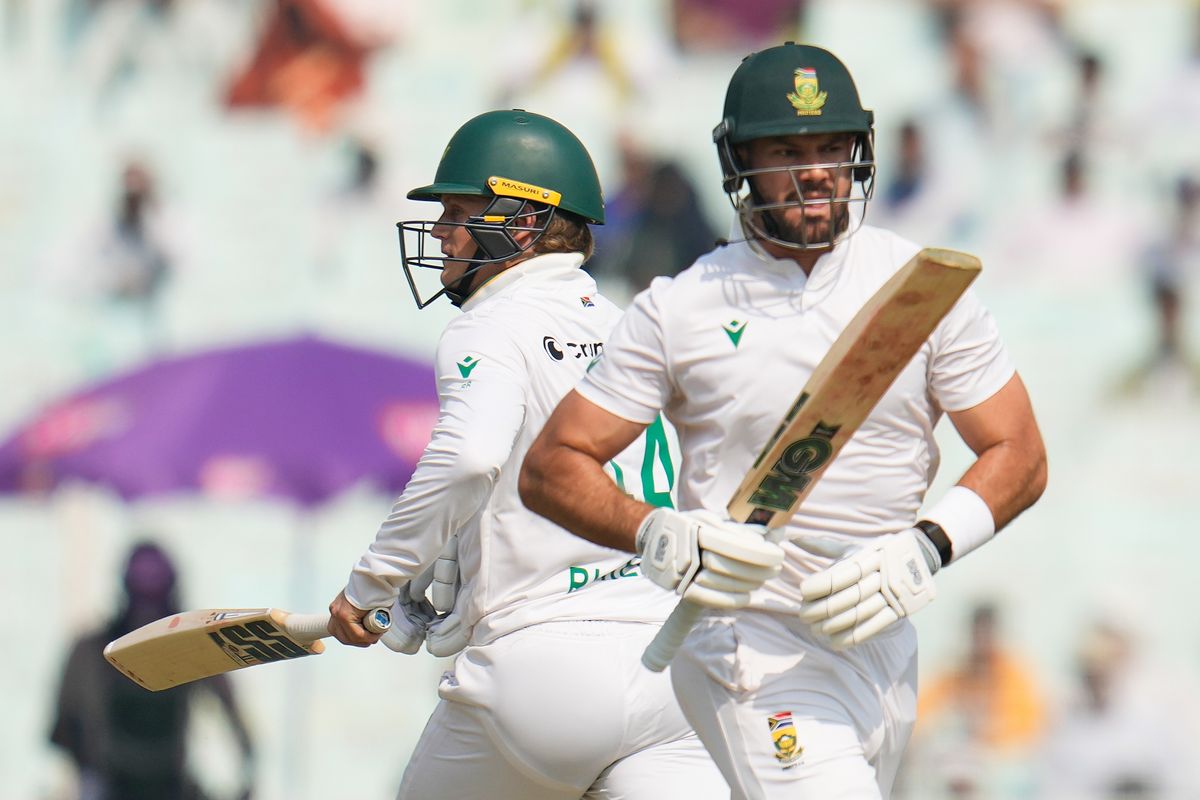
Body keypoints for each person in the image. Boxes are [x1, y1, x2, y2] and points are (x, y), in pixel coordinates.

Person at [520, 43, 1047, 800]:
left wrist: (927, 546)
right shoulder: (681, 306)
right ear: (739, 162)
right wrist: (657, 533)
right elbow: (552, 465)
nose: (816, 171)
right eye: (787, 151)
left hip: (880, 641)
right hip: (745, 642)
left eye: (832, 147)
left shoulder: (922, 288)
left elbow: (1019, 451)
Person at [326, 109, 730, 799]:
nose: (439, 232)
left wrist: (374, 584)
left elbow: (470, 457)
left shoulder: (489, 323)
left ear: (522, 224)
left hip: (543, 669)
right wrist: (443, 559)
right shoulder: (627, 325)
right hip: (672, 668)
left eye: (457, 213)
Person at [49, 541, 254, 800]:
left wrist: (245, 777)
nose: (147, 610)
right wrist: (89, 777)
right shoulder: (93, 650)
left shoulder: (194, 646)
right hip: (112, 784)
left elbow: (235, 719)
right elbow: (65, 726)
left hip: (170, 785)